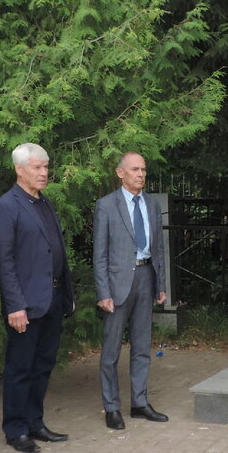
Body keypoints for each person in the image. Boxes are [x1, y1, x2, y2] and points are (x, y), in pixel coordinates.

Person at [0, 143, 75, 453]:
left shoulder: (44, 203)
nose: (43, 172)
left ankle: (35, 422)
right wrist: (15, 306)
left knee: (42, 364)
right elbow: (4, 261)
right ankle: (15, 429)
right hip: (25, 304)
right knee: (20, 367)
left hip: (51, 298)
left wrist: (66, 294)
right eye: (37, 167)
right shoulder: (6, 206)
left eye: (46, 167)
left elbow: (56, 252)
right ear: (19, 169)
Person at [93, 153, 169, 430]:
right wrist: (103, 292)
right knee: (111, 351)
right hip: (118, 284)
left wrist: (160, 285)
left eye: (144, 170)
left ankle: (139, 403)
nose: (141, 174)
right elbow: (99, 253)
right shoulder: (106, 205)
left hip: (146, 277)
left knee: (142, 346)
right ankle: (111, 407)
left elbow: (158, 249)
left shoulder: (151, 204)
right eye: (135, 169)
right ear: (120, 173)